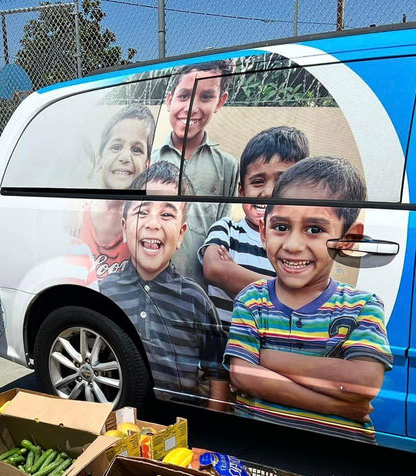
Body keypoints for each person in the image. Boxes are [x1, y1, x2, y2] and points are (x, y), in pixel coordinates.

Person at [225, 156, 392, 442]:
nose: (292, 245)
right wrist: (337, 405)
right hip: (260, 452)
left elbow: (361, 384)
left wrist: (266, 358)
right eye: (281, 227)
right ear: (264, 232)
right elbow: (242, 376)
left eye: (314, 229)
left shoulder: (362, 306)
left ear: (348, 240)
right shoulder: (252, 300)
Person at [100, 162, 229, 409]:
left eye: (167, 214)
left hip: (184, 419)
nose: (153, 223)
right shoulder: (106, 290)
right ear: (125, 229)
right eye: (142, 212)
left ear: (181, 234)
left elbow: (218, 373)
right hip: (121, 412)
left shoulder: (195, 299)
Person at [201, 126, 310, 324]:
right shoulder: (226, 229)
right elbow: (215, 269)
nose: (268, 192)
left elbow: (306, 294)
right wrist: (285, 289)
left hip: (272, 345)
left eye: (281, 182)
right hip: (221, 343)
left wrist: (235, 274)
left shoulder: (299, 244)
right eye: (257, 182)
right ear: (241, 192)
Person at [153, 60, 238, 289]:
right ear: (169, 101)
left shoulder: (227, 166)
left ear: (221, 102)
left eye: (206, 97)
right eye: (184, 96)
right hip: (152, 288)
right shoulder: (148, 160)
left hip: (200, 292)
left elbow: (222, 235)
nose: (191, 107)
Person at [77, 105, 157, 281]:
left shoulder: (150, 228)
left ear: (147, 164)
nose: (125, 157)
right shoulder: (75, 216)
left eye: (136, 150)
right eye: (116, 146)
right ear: (100, 158)